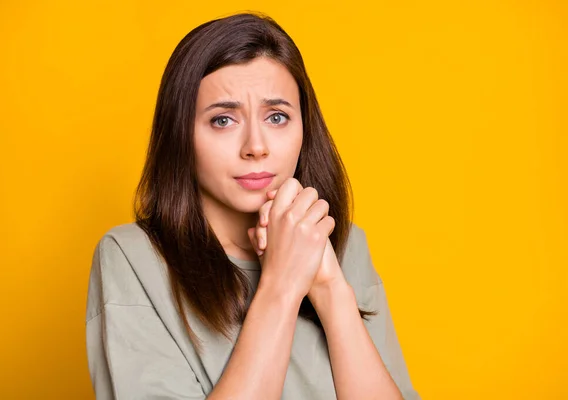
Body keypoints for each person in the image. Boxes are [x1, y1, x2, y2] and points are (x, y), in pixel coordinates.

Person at [85, 12, 420, 400]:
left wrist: (330, 291)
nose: (256, 147)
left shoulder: (341, 244)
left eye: (277, 117)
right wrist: (281, 284)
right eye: (223, 120)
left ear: (304, 129)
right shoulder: (132, 257)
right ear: (181, 134)